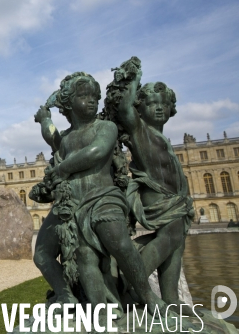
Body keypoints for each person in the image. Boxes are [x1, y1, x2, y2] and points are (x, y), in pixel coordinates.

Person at [34, 72, 165, 314]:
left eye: (94, 96)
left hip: (103, 198)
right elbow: (51, 135)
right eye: (83, 96)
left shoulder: (105, 127)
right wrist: (45, 118)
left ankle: (147, 296)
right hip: (70, 205)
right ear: (68, 103)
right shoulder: (64, 138)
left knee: (120, 244)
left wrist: (62, 168)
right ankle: (65, 296)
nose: (92, 100)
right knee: (42, 254)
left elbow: (97, 151)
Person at [113, 57, 194, 304]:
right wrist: (134, 79)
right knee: (170, 237)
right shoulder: (140, 131)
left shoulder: (163, 139)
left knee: (176, 242)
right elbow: (125, 109)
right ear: (140, 108)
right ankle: (133, 281)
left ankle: (171, 299)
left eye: (164, 104)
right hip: (157, 197)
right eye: (151, 104)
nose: (159, 108)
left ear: (171, 108)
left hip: (175, 198)